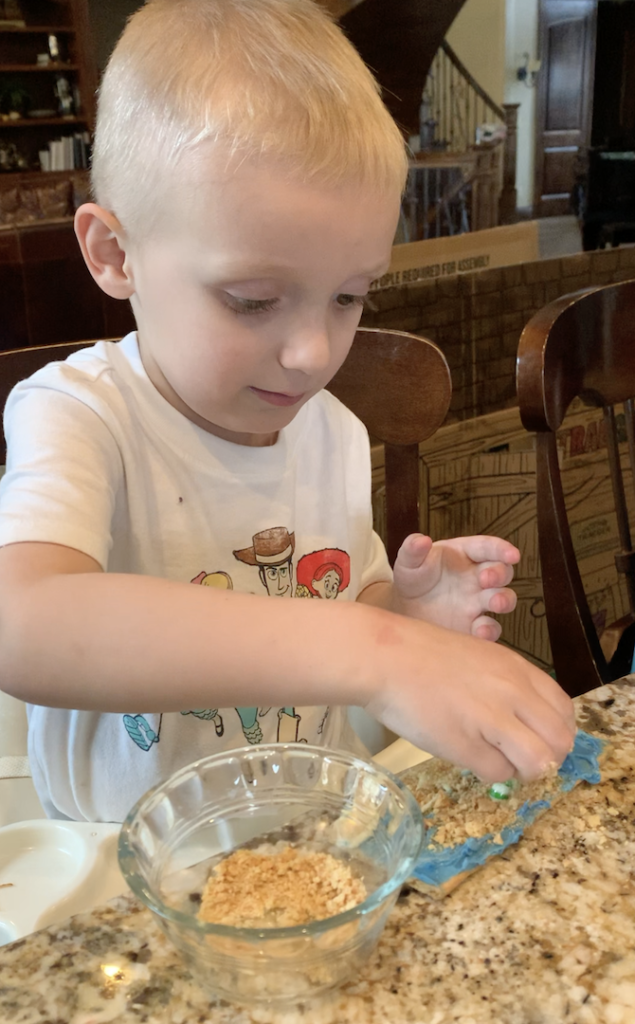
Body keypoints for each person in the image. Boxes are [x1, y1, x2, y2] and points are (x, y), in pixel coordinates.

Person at [0, 0, 575, 823]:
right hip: (117, 861)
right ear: (114, 254)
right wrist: (375, 651)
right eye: (253, 299)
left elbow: (343, 604)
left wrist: (405, 615)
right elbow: (23, 625)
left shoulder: (328, 428)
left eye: (348, 296)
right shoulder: (79, 414)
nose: (313, 352)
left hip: (311, 830)